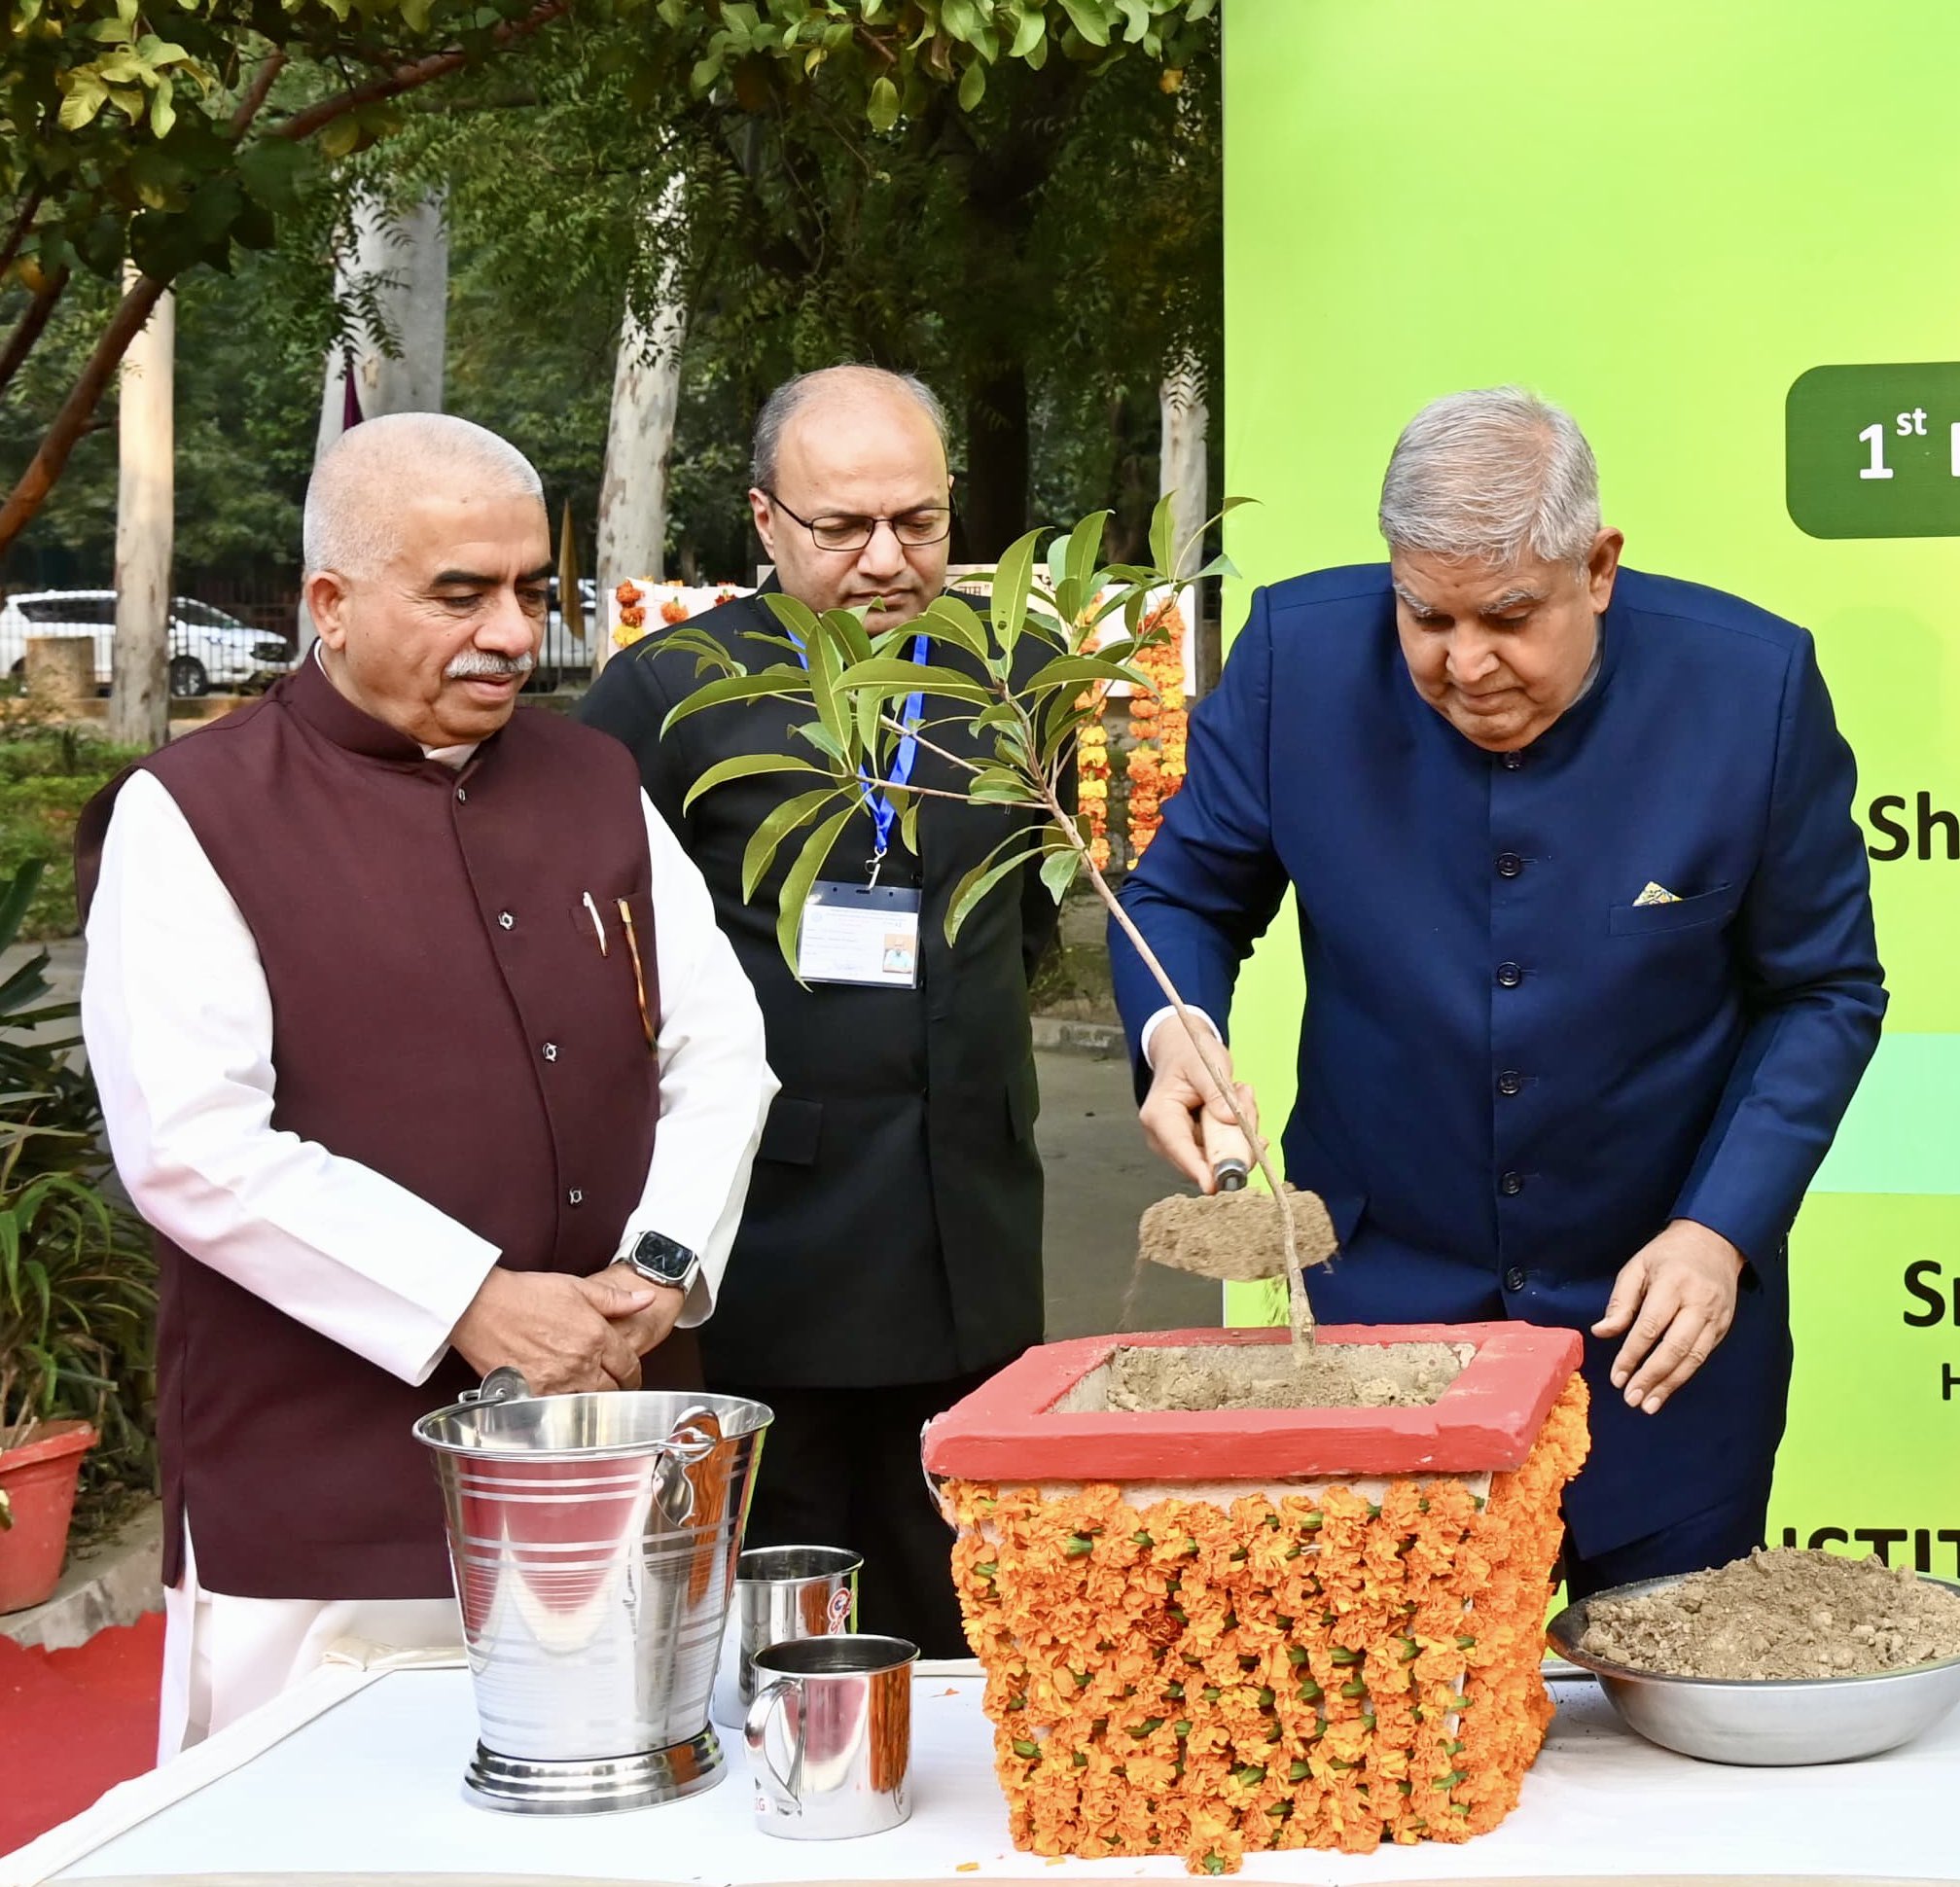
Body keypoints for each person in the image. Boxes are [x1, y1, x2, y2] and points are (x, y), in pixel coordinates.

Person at [1113, 387, 1885, 1599]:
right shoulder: (1293, 661)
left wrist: (1718, 1230)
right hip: (1373, 1325)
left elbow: (1823, 989)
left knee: (1659, 1732)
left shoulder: (1751, 690)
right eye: (1424, 614)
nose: (1463, 663)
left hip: (1659, 1335)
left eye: (1508, 615)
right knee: (1378, 1737)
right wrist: (1174, 1027)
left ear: (1597, 567)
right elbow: (1181, 897)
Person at [78, 413, 774, 1757]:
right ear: (329, 605)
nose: (515, 632)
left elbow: (717, 1043)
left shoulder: (593, 778)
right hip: (326, 1493)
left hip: (619, 1449)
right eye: (462, 594)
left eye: (531, 588)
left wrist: (659, 1268)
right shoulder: (194, 812)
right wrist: (467, 1299)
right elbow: (190, 1142)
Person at [579, 366, 1055, 1655]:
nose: (886, 560)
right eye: (842, 528)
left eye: (919, 521)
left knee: (966, 1585)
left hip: (972, 1213)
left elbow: (1029, 919)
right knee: (788, 1592)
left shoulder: (1014, 670)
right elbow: (604, 958)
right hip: (782, 1233)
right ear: (766, 521)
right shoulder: (669, 694)